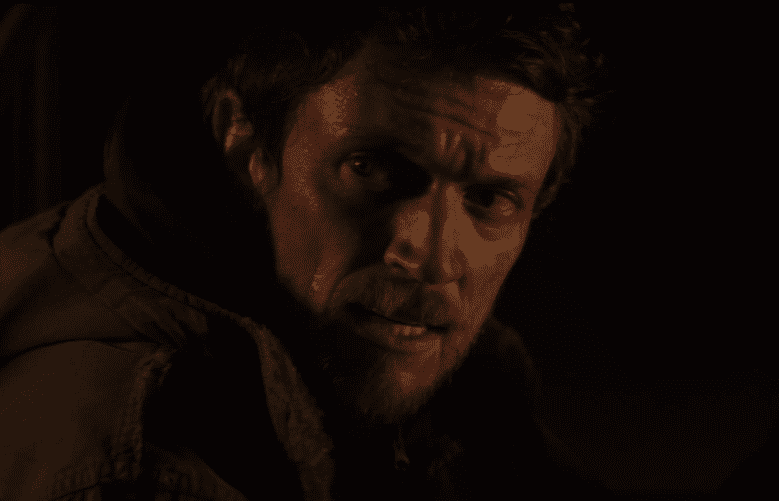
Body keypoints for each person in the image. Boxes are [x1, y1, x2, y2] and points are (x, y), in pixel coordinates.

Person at [0, 6, 612, 500]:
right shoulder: (135, 459)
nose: (431, 256)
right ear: (243, 137)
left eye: (492, 199)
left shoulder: (457, 393)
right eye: (372, 169)